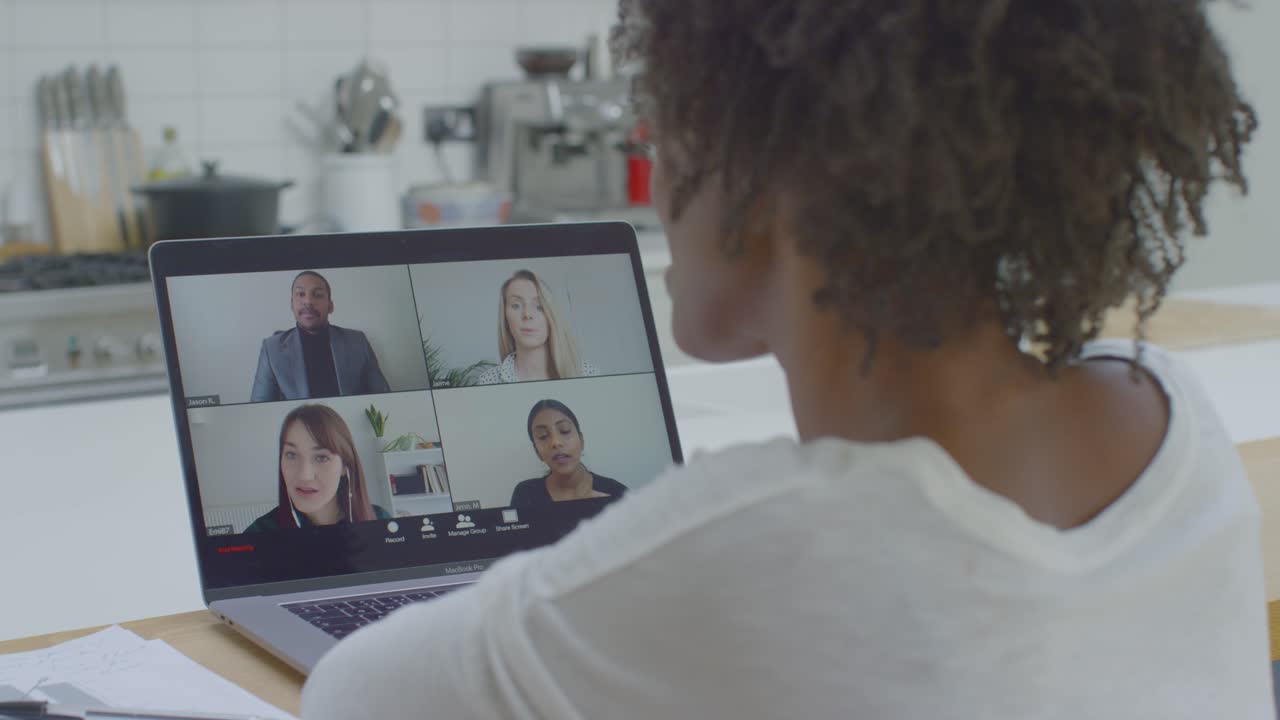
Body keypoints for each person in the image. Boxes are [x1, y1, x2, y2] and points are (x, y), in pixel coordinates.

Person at [304, 1, 1271, 718]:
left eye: (665, 134)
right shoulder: (1174, 425)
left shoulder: (758, 540)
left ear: (765, 181)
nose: (657, 182)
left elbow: (349, 698)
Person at [250, 271, 391, 402]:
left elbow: (384, 399)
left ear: (330, 306)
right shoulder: (272, 349)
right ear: (292, 304)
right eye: (300, 294)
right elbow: (259, 407)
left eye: (317, 295)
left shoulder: (357, 342)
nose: (308, 301)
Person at [245, 404, 389, 532]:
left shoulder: (380, 520)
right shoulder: (260, 533)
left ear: (345, 466)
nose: (304, 475)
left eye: (321, 458)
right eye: (291, 455)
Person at [474, 269, 598, 384]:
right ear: (505, 317)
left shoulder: (585, 373)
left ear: (552, 317)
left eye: (539, 307)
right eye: (516, 306)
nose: (527, 315)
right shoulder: (488, 380)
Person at [509, 399, 628, 508]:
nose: (555, 442)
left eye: (564, 431)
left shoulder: (617, 493)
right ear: (537, 451)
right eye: (543, 436)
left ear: (581, 441)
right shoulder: (525, 495)